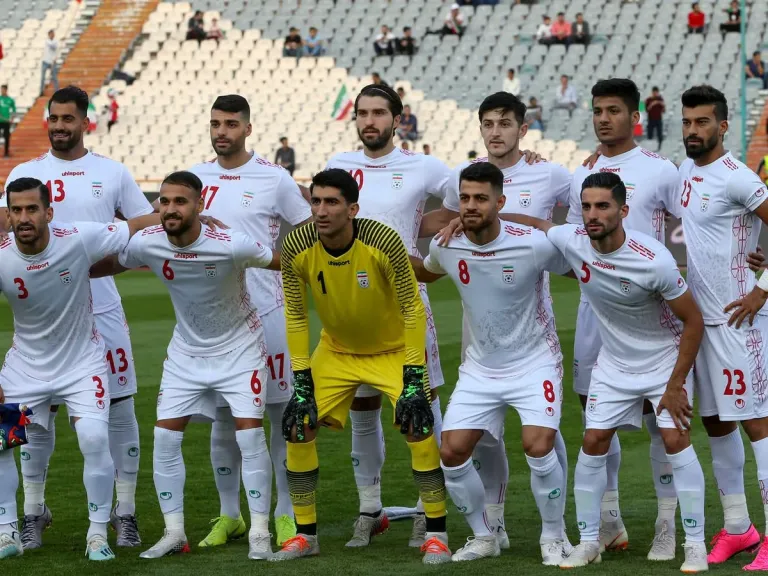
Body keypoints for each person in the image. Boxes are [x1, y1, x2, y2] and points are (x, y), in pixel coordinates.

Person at [515, 173, 708, 572]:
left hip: (663, 359)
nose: (592, 214)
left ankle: (695, 545)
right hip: (614, 363)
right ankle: (589, 542)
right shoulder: (574, 240)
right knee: (594, 440)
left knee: (675, 439)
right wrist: (468, 220)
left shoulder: (653, 259)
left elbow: (693, 321)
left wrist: (675, 385)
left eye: (602, 206)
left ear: (623, 210)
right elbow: (535, 224)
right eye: (586, 206)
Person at [90, 171, 281, 560]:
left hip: (240, 348)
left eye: (180, 201)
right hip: (186, 353)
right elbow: (110, 264)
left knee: (249, 436)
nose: (171, 209)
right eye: (164, 201)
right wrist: (59, 267)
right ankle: (175, 533)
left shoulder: (231, 243)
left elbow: (285, 263)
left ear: (199, 205)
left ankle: (260, 532)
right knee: (164, 438)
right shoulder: (148, 241)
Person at [0, 86, 156, 550]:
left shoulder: (112, 172)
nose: (59, 126)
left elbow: (142, 230)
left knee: (119, 409)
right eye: (53, 118)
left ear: (85, 122)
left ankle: (124, 512)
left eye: (68, 119)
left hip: (101, 309)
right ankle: (32, 512)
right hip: (43, 309)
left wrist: (97, 268)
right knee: (32, 419)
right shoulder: (24, 173)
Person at [271, 168, 450, 565]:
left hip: (393, 350)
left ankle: (436, 534)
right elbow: (296, 316)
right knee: (297, 426)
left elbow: (412, 308)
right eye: (316, 201)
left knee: (418, 425)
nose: (321, 210)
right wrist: (301, 380)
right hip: (336, 351)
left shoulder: (382, 240)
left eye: (331, 202)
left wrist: (413, 376)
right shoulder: (297, 243)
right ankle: (305, 536)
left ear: (352, 209)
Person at [424, 92, 571, 556]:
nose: (470, 205)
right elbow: (426, 265)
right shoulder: (449, 237)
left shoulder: (541, 206)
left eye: (504, 123)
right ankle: (487, 533)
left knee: (540, 444)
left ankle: (554, 535)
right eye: (488, 123)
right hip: (481, 355)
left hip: (533, 347)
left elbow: (582, 244)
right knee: (455, 450)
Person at [324, 85, 451, 549]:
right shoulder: (339, 164)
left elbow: (465, 199)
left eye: (379, 112)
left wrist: (423, 227)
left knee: (423, 405)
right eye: (362, 113)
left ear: (397, 119)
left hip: (406, 304)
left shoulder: (424, 166)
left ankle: (426, 510)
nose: (369, 121)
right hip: (352, 307)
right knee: (363, 410)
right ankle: (369, 509)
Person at [185, 95, 311, 550]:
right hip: (217, 319)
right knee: (223, 419)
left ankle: (283, 513)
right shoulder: (195, 178)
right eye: (215, 123)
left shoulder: (274, 178)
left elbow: (307, 231)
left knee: (278, 416)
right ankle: (230, 515)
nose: (222, 132)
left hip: (268, 314)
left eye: (231, 124)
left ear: (248, 129)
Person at [569, 79, 684, 560]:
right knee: (595, 417)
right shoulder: (581, 172)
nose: (603, 118)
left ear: (635, 117)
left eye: (613, 110)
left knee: (664, 423)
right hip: (594, 312)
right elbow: (567, 235)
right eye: (597, 110)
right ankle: (609, 521)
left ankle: (666, 523)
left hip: (652, 316)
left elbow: (694, 226)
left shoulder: (660, 169)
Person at [676, 85, 768, 571]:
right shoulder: (685, 171)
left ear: (723, 126)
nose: (693, 130)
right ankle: (738, 528)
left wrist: (762, 289)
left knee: (757, 424)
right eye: (687, 121)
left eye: (702, 122)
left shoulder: (738, 178)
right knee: (716, 422)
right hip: (702, 322)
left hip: (740, 320)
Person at [645, 87, 665, 151]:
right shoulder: (648, 99)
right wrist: (651, 104)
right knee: (650, 134)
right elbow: (646, 110)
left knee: (659, 134)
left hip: (659, 119)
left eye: (656, 92)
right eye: (654, 92)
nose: (655, 94)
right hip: (651, 119)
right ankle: (649, 148)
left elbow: (664, 110)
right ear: (652, 92)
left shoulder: (660, 99)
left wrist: (660, 103)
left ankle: (659, 147)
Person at [40, 30, 59, 97]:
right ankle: (41, 91)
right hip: (45, 61)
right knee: (43, 77)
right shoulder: (47, 41)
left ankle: (57, 91)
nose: (52, 35)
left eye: (53, 34)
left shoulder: (55, 41)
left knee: (54, 77)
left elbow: (54, 47)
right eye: (51, 34)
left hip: (52, 62)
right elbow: (51, 45)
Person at [0, 84, 16, 157]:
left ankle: (6, 153)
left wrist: (12, 118)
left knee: (7, 137)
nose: (2, 91)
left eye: (3, 89)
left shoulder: (10, 100)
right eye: (1, 89)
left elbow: (14, 109)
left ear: (6, 90)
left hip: (6, 122)